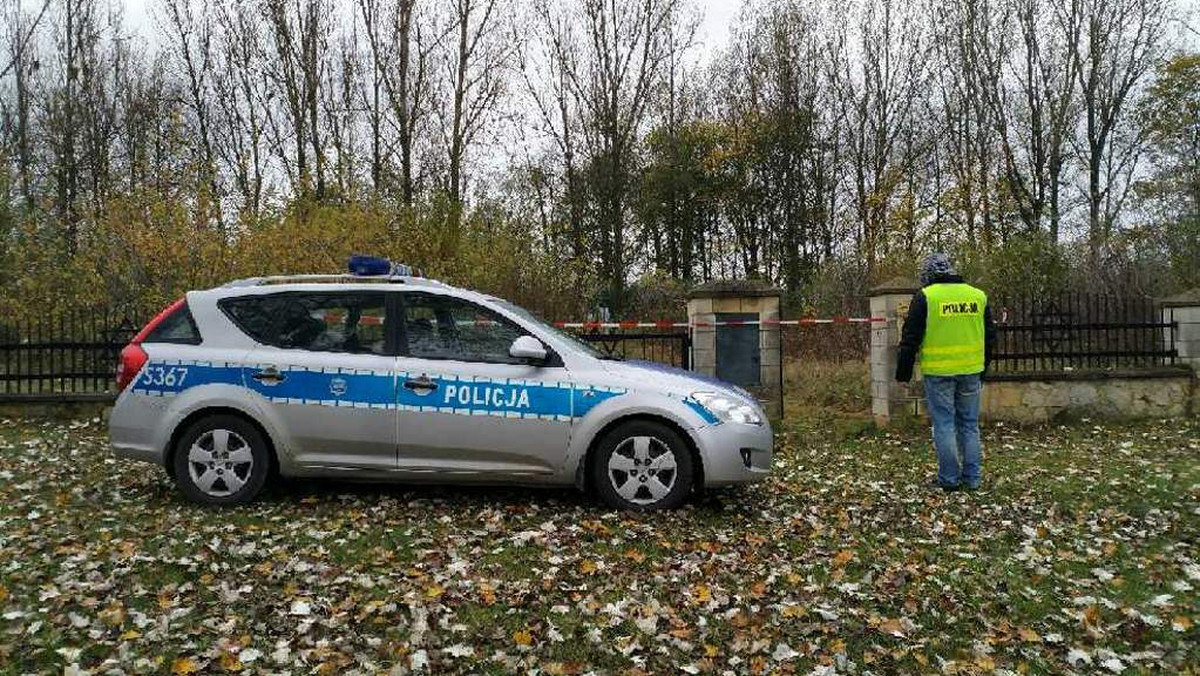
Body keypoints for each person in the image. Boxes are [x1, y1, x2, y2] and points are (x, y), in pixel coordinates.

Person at [895, 253, 996, 492]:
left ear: (927, 275)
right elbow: (990, 337)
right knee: (970, 424)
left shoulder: (926, 297)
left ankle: (949, 479)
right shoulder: (977, 296)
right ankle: (972, 479)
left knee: (944, 424)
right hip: (971, 370)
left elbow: (910, 338)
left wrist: (903, 372)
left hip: (939, 372)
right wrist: (984, 368)